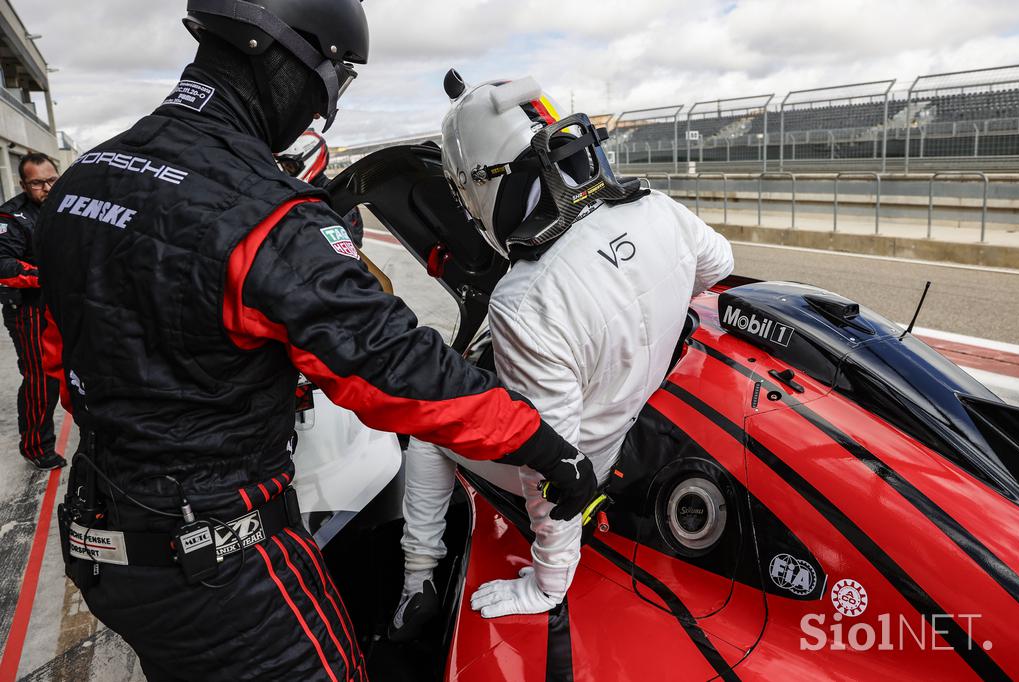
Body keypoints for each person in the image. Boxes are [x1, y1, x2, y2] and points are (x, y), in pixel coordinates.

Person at [34, 3, 596, 681]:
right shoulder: (262, 212)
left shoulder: (83, 181)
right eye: (335, 80)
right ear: (280, 55)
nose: (321, 112)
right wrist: (539, 444)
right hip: (221, 566)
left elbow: (61, 353)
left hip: (103, 548)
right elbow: (394, 368)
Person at [391, 72, 733, 637]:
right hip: (640, 414)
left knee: (431, 428)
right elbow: (718, 266)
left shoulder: (525, 299)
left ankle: (416, 578)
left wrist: (548, 582)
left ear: (482, 181)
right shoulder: (658, 208)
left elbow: (551, 464)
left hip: (591, 464)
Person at [0, 153, 64, 470]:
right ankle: (37, 446)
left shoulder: (68, 203)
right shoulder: (10, 217)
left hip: (63, 305)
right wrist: (49, 274)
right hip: (28, 309)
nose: (47, 187)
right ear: (24, 184)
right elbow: (3, 266)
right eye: (38, 182)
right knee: (42, 378)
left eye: (51, 179)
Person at [276, 129, 392, 294]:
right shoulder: (306, 196)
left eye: (289, 166)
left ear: (309, 159)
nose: (285, 172)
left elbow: (345, 254)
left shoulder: (334, 198)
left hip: (339, 284)